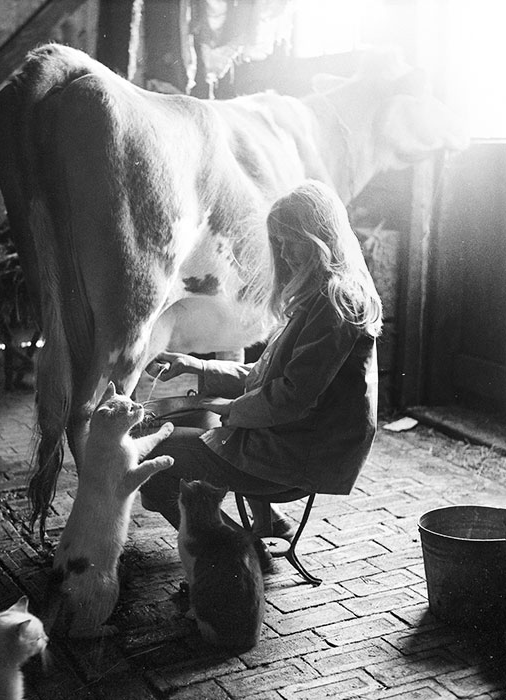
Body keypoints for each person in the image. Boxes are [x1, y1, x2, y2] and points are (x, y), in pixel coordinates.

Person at [140, 179, 382, 553]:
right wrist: (197, 368)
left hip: (300, 455)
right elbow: (267, 379)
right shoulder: (320, 293)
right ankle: (267, 522)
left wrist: (230, 411)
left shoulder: (333, 302)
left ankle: (237, 552)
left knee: (152, 460)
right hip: (300, 440)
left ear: (320, 237)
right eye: (279, 244)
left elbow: (288, 398)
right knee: (204, 428)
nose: (283, 255)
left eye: (292, 242)